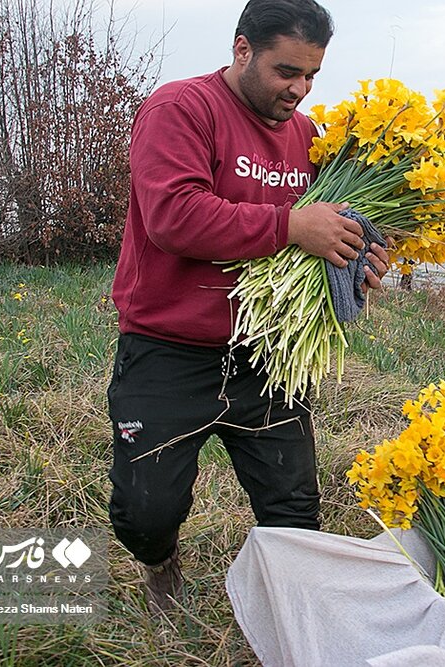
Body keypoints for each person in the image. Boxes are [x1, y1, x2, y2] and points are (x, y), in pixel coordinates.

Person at [106, 0, 390, 613]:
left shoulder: (311, 137)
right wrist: (290, 225)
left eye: (312, 74)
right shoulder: (180, 109)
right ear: (242, 50)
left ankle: (290, 613)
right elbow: (172, 217)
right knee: (145, 511)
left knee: (294, 509)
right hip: (169, 345)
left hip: (267, 348)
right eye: (288, 71)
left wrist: (355, 256)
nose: (301, 88)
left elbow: (326, 231)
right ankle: (159, 561)